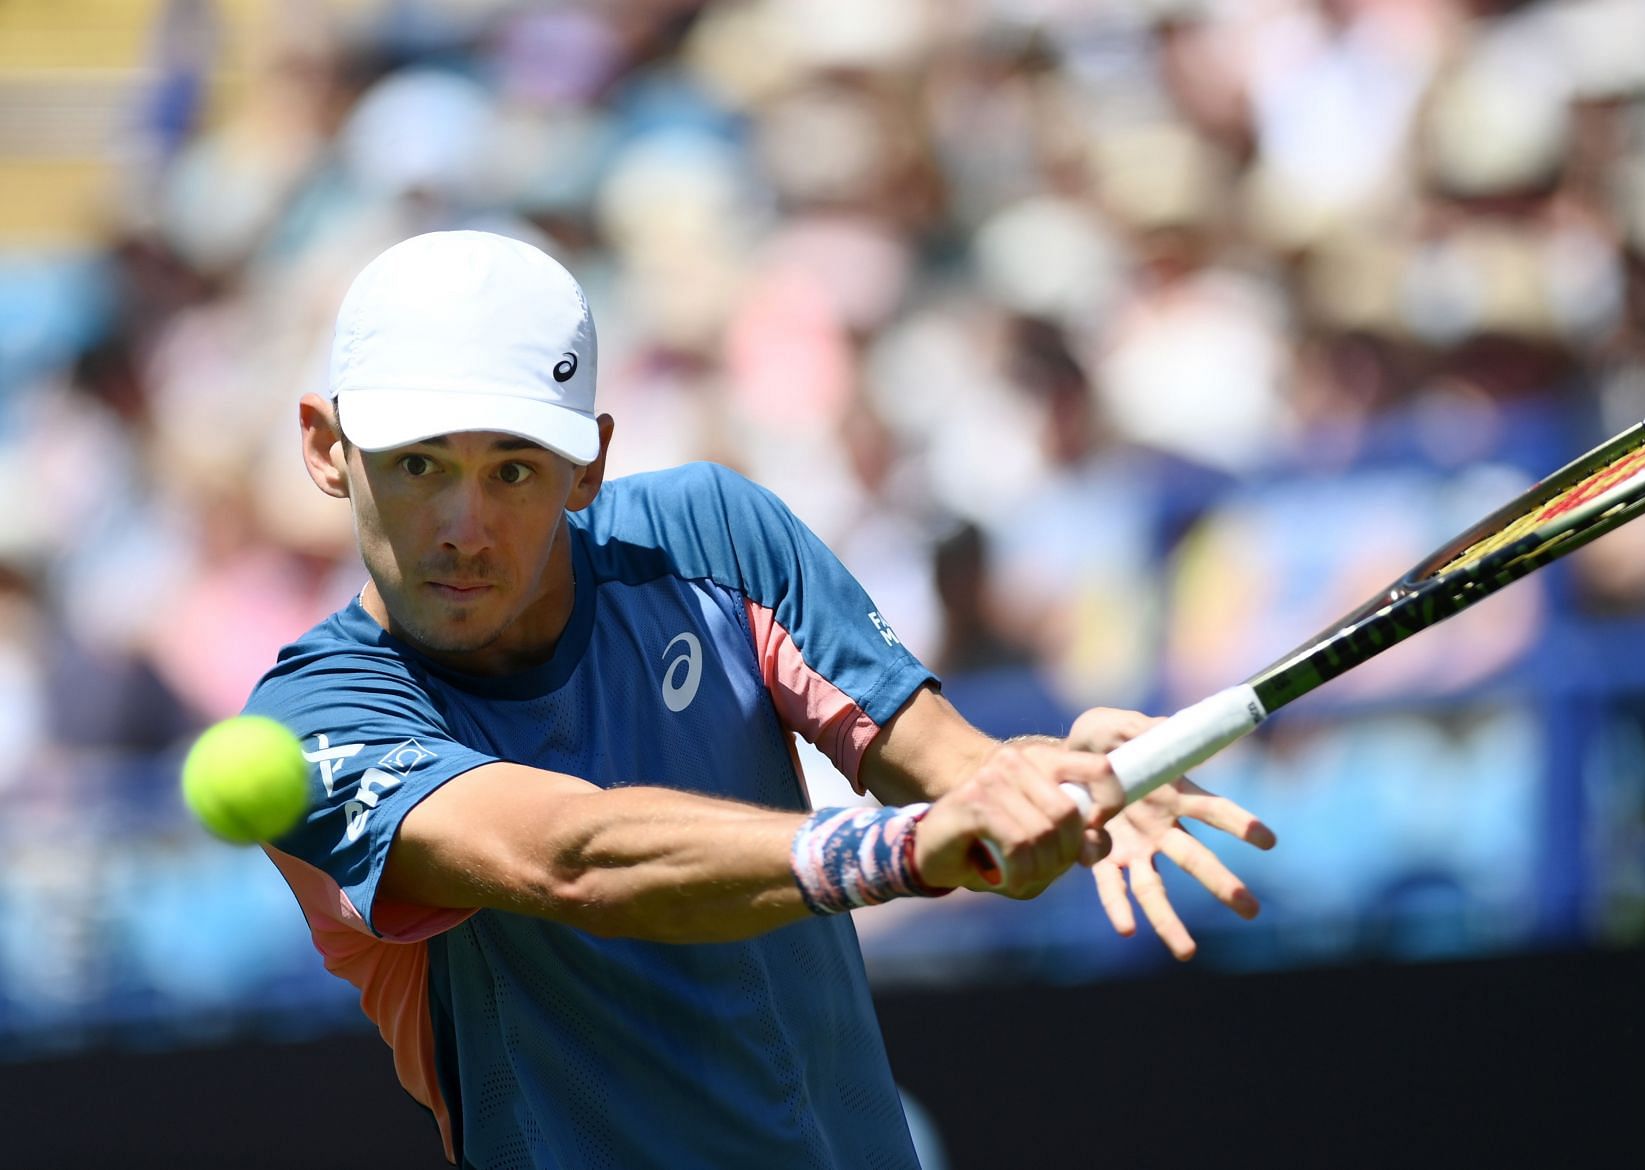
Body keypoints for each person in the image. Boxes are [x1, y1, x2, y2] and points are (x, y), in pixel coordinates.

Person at [244, 230, 1273, 1168]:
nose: (464, 528)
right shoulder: (310, 727)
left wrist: (1045, 784)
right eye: (419, 464)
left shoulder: (714, 537)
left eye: (513, 470)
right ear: (328, 448)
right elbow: (567, 855)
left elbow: (952, 769)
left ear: (589, 461)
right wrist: (899, 848)